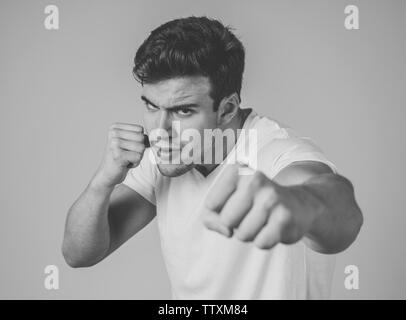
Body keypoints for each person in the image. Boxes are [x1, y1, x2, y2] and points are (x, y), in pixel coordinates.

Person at [62, 16, 363, 299]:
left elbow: (342, 215)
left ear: (228, 108)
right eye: (152, 106)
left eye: (183, 111)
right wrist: (103, 181)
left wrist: (297, 204)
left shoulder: (276, 151)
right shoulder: (163, 155)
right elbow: (78, 254)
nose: (161, 130)